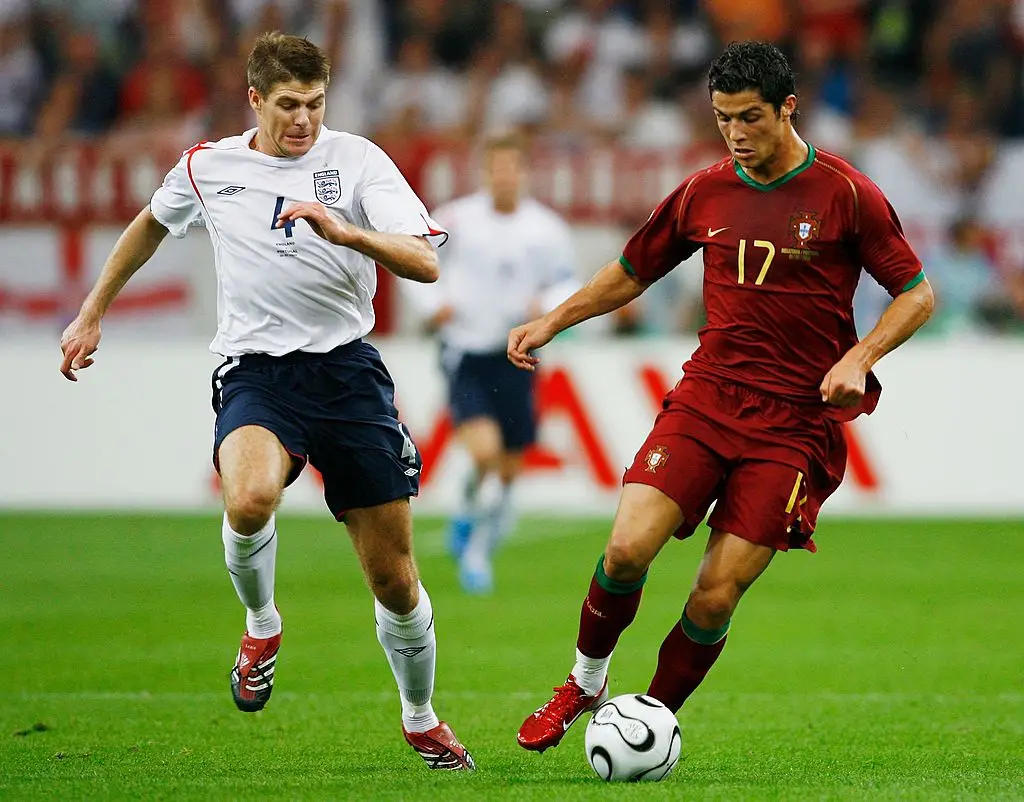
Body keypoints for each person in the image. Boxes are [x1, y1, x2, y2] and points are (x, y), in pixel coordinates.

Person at [58, 32, 474, 771]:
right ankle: (261, 622)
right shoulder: (209, 166)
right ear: (255, 99)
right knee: (247, 499)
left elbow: (426, 261)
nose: (304, 120)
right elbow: (152, 221)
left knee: (395, 580)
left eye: (315, 104)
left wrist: (346, 230)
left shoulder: (357, 161)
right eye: (288, 105)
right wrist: (93, 311)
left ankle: (420, 717)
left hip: (347, 377)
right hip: (256, 372)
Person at [508, 41, 935, 753]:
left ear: (787, 108)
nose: (736, 134)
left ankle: (649, 719)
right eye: (722, 119)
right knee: (623, 551)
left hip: (795, 426)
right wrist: (553, 319)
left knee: (714, 592)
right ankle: (584, 682)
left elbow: (916, 294)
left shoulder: (846, 194)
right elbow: (631, 270)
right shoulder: (706, 190)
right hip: (708, 400)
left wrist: (860, 357)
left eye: (750, 118)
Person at [412, 130, 577, 594]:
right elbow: (415, 259)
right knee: (483, 452)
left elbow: (567, 283)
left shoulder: (545, 228)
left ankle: (475, 534)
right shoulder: (456, 219)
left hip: (520, 356)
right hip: (466, 350)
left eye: (512, 168)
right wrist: (433, 305)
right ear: (485, 173)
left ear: (524, 173)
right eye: (496, 168)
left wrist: (544, 303)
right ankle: (474, 547)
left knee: (507, 467)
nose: (504, 177)